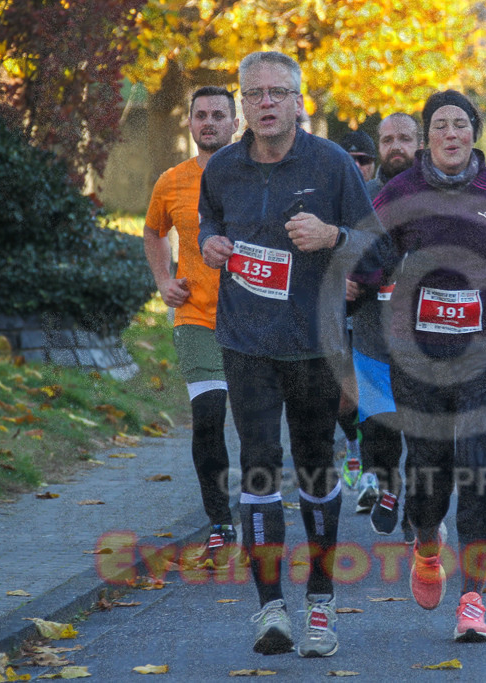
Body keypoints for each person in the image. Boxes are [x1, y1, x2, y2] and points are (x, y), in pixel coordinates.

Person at [353, 90, 486, 643]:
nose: (452, 134)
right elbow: (366, 254)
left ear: (474, 133)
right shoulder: (402, 191)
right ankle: (427, 546)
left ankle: (472, 600)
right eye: (440, 125)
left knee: (475, 471)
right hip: (418, 351)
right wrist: (358, 281)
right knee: (429, 472)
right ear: (426, 137)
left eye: (461, 124)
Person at [198, 51, 380, 659]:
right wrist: (211, 243)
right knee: (257, 466)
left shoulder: (331, 164)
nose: (267, 103)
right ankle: (271, 608)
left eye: (278, 92)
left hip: (313, 344)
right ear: (243, 104)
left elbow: (379, 247)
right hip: (245, 341)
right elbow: (207, 223)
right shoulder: (222, 167)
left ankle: (321, 601)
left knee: (315, 469)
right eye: (255, 94)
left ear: (299, 102)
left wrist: (333, 237)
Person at [143, 86, 239, 558]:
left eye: (219, 115)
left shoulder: (254, 175)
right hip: (196, 317)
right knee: (208, 420)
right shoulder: (172, 180)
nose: (209, 122)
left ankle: (258, 510)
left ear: (235, 124)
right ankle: (220, 522)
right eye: (201, 115)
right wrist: (164, 280)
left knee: (257, 427)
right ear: (190, 123)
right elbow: (153, 230)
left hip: (252, 321)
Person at [350, 113, 423, 541]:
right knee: (378, 427)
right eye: (388, 139)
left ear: (420, 144)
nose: (396, 146)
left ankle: (415, 504)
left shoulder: (435, 195)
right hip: (371, 334)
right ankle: (388, 488)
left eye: (405, 138)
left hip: (424, 339)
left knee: (419, 431)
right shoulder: (362, 198)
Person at [334, 130, 380, 485]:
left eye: (363, 160)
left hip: (376, 313)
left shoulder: (384, 199)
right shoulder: (327, 199)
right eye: (349, 160)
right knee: (344, 399)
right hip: (336, 312)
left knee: (372, 395)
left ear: (373, 166)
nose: (356, 166)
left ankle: (376, 469)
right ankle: (353, 445)